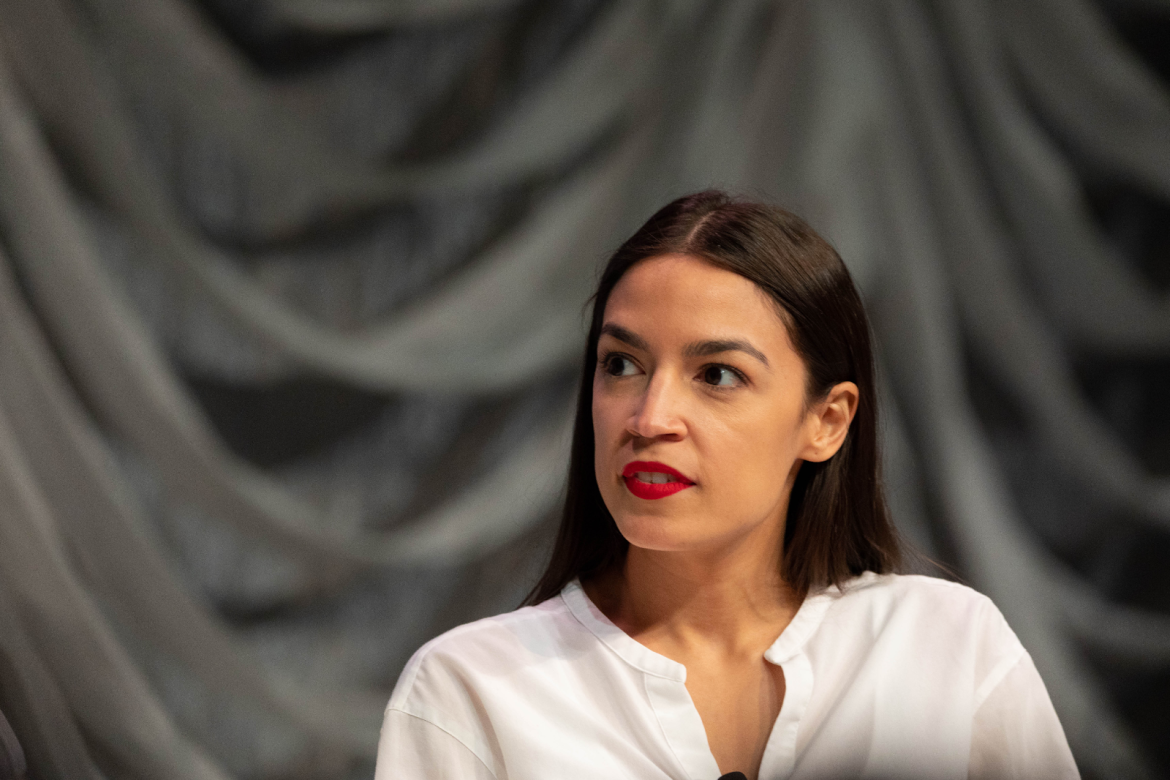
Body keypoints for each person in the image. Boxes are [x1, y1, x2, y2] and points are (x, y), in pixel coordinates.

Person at [373, 191, 1079, 780]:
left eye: (717, 375)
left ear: (827, 422)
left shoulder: (948, 648)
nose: (649, 419)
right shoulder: (470, 690)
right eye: (621, 365)